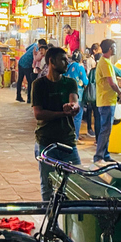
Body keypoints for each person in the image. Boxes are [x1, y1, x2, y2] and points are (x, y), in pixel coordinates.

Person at [32, 47, 81, 201]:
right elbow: (38, 114)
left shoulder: (70, 83)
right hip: (47, 143)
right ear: (51, 61)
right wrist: (62, 113)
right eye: (63, 59)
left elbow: (75, 102)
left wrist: (72, 107)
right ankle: (51, 223)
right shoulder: (39, 84)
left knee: (76, 183)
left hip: (68, 142)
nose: (67, 62)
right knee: (47, 186)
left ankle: (69, 222)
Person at [94, 39, 121, 163]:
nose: (116, 49)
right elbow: (111, 82)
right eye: (115, 47)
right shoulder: (105, 63)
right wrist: (120, 92)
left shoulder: (105, 62)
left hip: (106, 100)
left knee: (106, 129)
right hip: (106, 100)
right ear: (110, 48)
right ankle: (99, 156)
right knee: (105, 130)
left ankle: (105, 154)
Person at [65, 50, 89, 141]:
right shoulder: (80, 67)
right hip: (78, 94)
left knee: (69, 115)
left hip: (67, 94)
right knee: (78, 116)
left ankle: (69, 136)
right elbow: (85, 81)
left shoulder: (68, 66)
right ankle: (75, 137)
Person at [16, 39, 46, 103]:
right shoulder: (39, 50)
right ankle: (29, 98)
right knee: (30, 81)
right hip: (27, 64)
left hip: (21, 60)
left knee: (20, 79)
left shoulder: (34, 44)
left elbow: (27, 49)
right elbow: (37, 59)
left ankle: (18, 96)